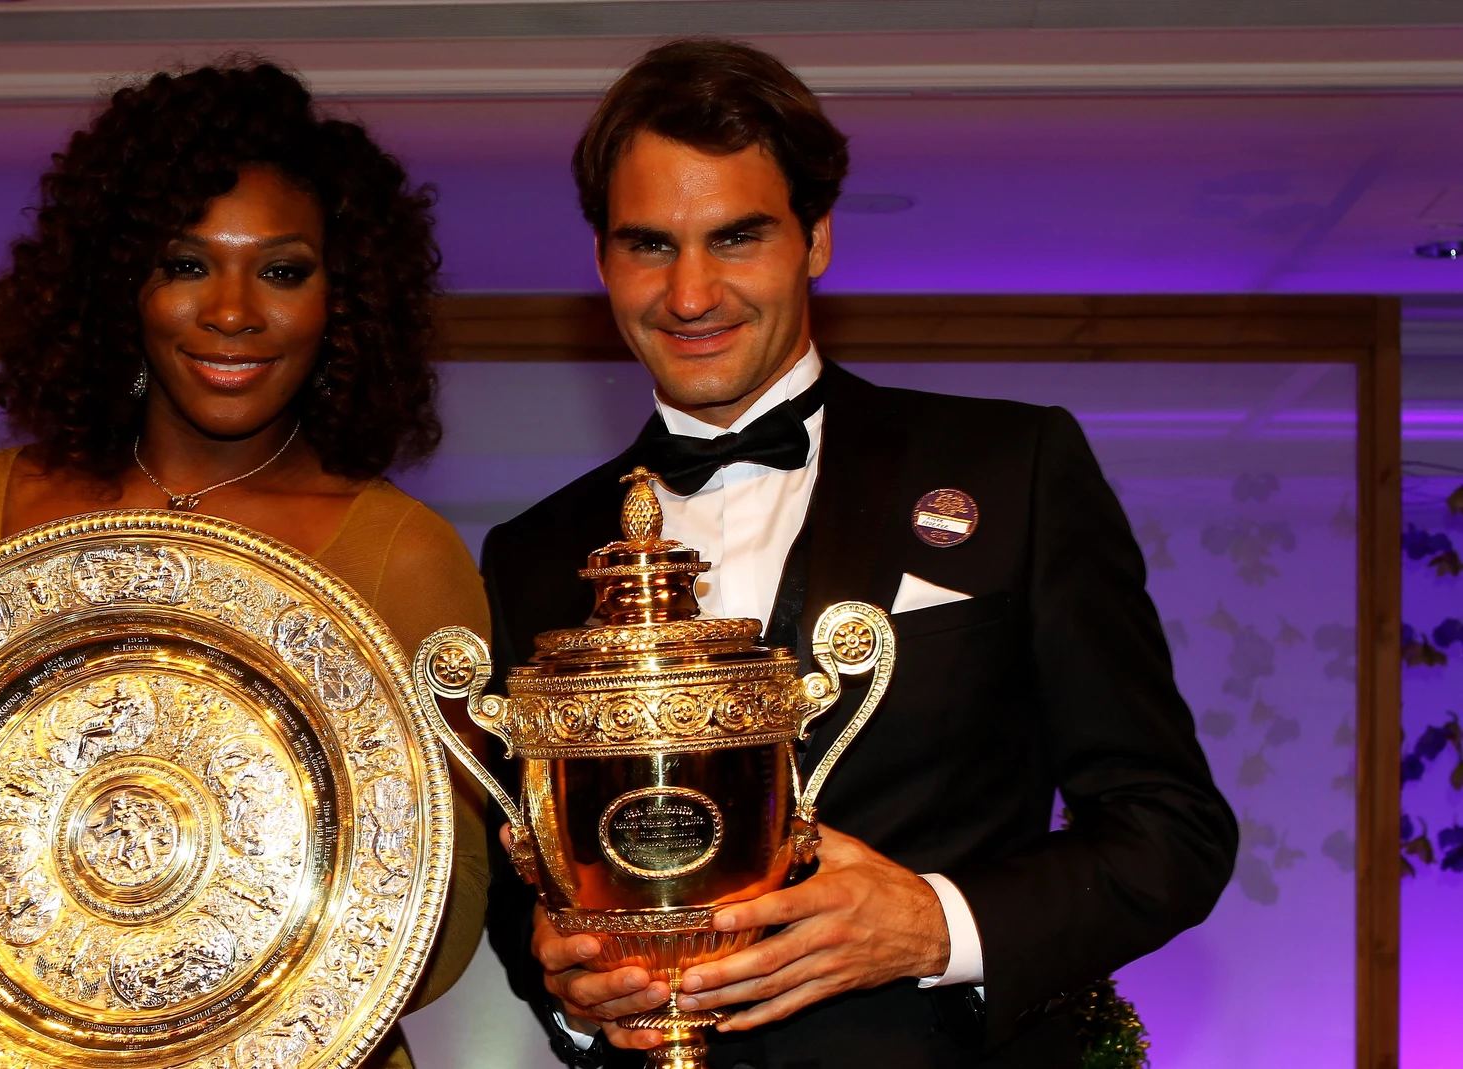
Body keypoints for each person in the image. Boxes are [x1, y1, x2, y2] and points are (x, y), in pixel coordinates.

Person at [480, 39, 1237, 1068]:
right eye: (649, 245)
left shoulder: (1013, 468)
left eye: (736, 237)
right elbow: (517, 875)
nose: (690, 293)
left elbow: (1171, 830)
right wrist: (571, 996)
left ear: (816, 238)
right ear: (603, 258)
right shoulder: (532, 552)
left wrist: (934, 924)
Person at [0, 59, 488, 1069]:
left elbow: (442, 939)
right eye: (184, 263)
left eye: (281, 269)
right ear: (118, 282)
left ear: (343, 298)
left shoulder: (404, 555)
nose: (232, 311)